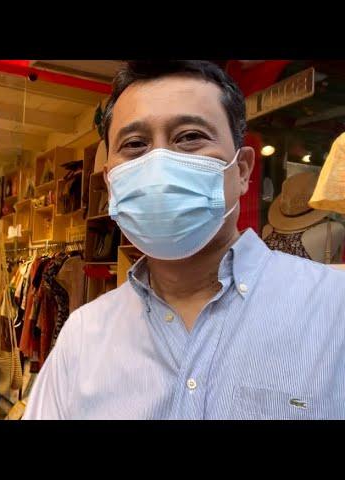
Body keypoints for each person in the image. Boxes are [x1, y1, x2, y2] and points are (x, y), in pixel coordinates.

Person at [23, 60, 345, 420]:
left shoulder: (334, 310)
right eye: (134, 144)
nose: (160, 164)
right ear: (111, 181)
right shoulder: (82, 337)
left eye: (190, 137)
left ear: (241, 171)